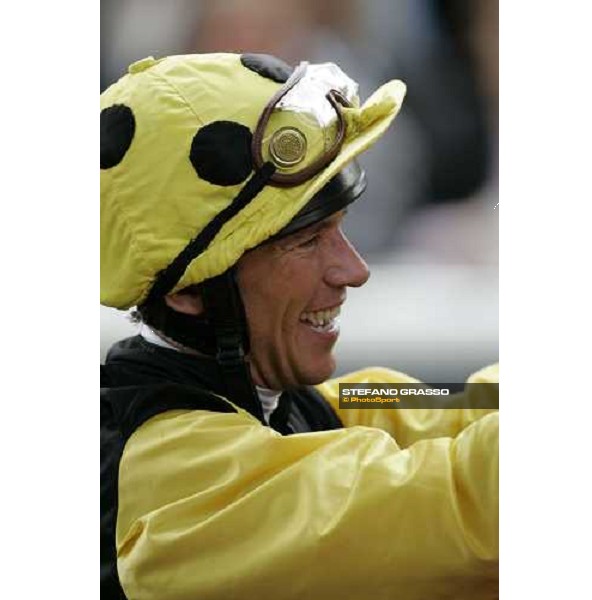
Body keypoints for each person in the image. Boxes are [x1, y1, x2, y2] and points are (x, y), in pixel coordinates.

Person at [100, 53, 498, 600]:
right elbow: (461, 503)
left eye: (338, 227)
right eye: (307, 241)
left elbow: (469, 399)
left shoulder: (312, 401)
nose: (354, 270)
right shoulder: (179, 483)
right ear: (187, 290)